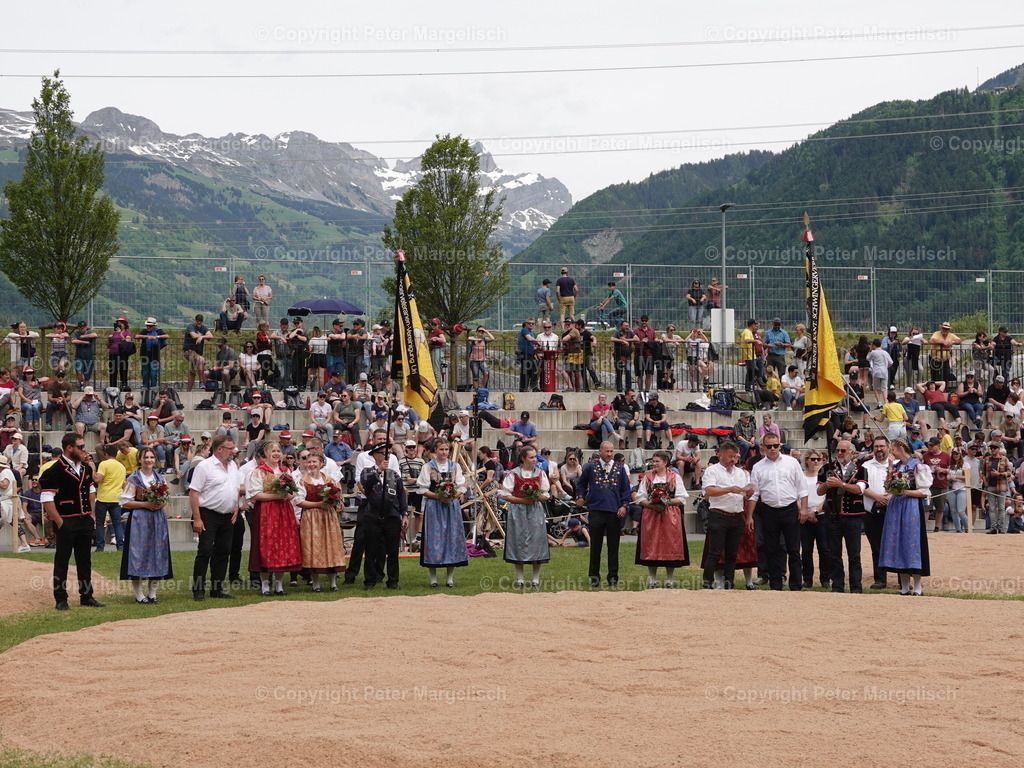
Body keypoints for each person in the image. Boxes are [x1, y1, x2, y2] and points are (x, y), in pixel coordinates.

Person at [40, 434, 104, 611]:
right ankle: (61, 599)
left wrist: (90, 514)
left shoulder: (85, 468)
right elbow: (46, 498)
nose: (84, 450)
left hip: (84, 521)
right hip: (67, 522)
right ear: (70, 448)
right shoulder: (54, 470)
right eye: (80, 447)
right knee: (62, 562)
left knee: (85, 561)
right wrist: (60, 522)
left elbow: (91, 490)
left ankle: (87, 596)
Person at [747, 433, 808, 591]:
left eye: (776, 445)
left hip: (789, 509)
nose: (773, 449)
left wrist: (804, 509)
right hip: (769, 511)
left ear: (780, 445)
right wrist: (749, 516)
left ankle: (796, 585)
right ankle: (776, 586)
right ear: (763, 447)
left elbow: (802, 488)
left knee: (793, 550)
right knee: (771, 549)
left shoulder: (791, 462)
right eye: (769, 446)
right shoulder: (758, 467)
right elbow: (754, 494)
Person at [189, 435, 241, 600]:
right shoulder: (205, 466)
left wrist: (236, 506)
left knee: (224, 552)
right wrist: (197, 519)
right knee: (204, 551)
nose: (233, 451)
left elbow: (236, 488)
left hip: (227, 515)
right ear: (220, 449)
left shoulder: (233, 465)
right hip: (208, 514)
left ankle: (216, 589)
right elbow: (194, 493)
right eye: (230, 448)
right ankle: (198, 590)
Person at [246, 441, 302, 595]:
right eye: (273, 451)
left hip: (284, 511)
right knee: (267, 546)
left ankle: (279, 585)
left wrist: (287, 495)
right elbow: (255, 494)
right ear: (265, 453)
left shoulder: (286, 471)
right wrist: (277, 495)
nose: (276, 453)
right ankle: (265, 585)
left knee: (284, 545)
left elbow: (293, 492)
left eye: (278, 450)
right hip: (266, 512)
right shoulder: (259, 471)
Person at [878, 437, 933, 595]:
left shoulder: (918, 466)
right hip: (896, 507)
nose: (890, 451)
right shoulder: (896, 467)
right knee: (896, 542)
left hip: (911, 507)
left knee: (911, 542)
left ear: (900, 448)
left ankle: (917, 586)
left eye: (892, 448)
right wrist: (889, 467)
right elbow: (888, 487)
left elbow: (923, 492)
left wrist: (904, 492)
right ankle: (903, 586)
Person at [118, 446, 172, 604]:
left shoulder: (160, 478)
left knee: (157, 552)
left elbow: (166, 498)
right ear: (139, 460)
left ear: (155, 459)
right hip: (140, 520)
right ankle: (139, 594)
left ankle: (153, 593)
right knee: (139, 554)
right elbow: (125, 502)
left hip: (157, 519)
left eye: (151, 457)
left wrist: (160, 505)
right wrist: (145, 505)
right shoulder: (133, 479)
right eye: (145, 457)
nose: (148, 460)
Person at [575, 441, 632, 588]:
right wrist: (580, 497)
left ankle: (613, 578)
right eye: (606, 451)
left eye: (611, 451)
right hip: (596, 510)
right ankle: (594, 578)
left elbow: (626, 490)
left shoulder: (620, 468)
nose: (609, 454)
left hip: (614, 512)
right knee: (595, 546)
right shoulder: (591, 467)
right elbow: (580, 483)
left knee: (614, 547)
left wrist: (624, 505)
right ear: (600, 451)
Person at [701, 442, 755, 589]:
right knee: (715, 552)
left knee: (732, 553)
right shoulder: (712, 471)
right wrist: (729, 489)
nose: (733, 460)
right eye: (730, 456)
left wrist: (747, 493)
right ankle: (707, 583)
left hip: (736, 515)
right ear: (721, 454)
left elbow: (744, 495)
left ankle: (728, 583)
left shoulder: (741, 473)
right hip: (719, 514)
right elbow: (709, 492)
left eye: (735, 457)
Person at [416, 439, 467, 588]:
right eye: (441, 449)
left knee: (451, 539)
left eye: (446, 449)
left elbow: (462, 486)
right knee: (434, 540)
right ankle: (433, 579)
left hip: (451, 507)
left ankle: (450, 578)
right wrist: (439, 496)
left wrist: (451, 496)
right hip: (434, 507)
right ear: (435, 451)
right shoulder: (427, 467)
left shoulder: (455, 466)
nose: (444, 452)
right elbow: (422, 489)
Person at [635, 450, 689, 588]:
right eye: (653, 461)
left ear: (665, 462)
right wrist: (651, 505)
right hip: (651, 515)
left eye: (657, 461)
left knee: (670, 543)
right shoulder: (647, 477)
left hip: (670, 515)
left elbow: (682, 498)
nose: (654, 464)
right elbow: (640, 497)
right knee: (651, 544)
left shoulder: (674, 477)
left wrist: (666, 502)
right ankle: (652, 579)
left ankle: (669, 579)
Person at [499, 445, 551, 589]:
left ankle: (535, 579)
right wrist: (523, 500)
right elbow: (505, 494)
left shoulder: (540, 473)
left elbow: (546, 494)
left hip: (534, 510)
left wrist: (536, 497)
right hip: (518, 511)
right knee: (518, 542)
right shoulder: (513, 474)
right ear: (523, 458)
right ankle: (520, 579)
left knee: (537, 542)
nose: (535, 459)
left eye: (535, 456)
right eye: (531, 457)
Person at [294, 452, 346, 591]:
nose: (311, 464)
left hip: (328, 516)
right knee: (313, 547)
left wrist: (336, 502)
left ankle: (333, 583)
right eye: (309, 462)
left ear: (321, 463)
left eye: (314, 462)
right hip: (311, 517)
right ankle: (315, 584)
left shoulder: (329, 480)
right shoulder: (302, 481)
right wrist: (318, 505)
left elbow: (338, 496)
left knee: (331, 546)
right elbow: (299, 501)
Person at [818, 441, 865, 593]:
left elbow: (859, 489)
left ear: (851, 452)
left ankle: (856, 586)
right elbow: (819, 491)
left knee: (854, 554)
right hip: (833, 516)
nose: (839, 453)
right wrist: (827, 484)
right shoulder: (827, 469)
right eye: (837, 450)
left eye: (843, 450)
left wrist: (841, 485)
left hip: (853, 516)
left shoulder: (861, 470)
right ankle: (837, 585)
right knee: (834, 553)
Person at [800, 450, 831, 590]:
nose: (816, 462)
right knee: (806, 549)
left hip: (821, 514)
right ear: (807, 460)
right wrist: (804, 511)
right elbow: (796, 495)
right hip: (804, 515)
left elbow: (826, 497)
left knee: (824, 549)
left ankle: (825, 579)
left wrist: (816, 511)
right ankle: (807, 579)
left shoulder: (824, 476)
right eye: (813, 459)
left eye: (818, 459)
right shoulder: (801, 477)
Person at [92, 444, 126, 552]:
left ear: (106, 454)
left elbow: (98, 479)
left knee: (100, 523)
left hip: (103, 498)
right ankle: (120, 545)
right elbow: (123, 484)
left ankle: (100, 546)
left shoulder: (104, 464)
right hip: (116, 498)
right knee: (117, 523)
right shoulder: (121, 466)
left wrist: (92, 469)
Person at [183, 314, 213, 392]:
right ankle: (201, 382)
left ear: (202, 321)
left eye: (200, 321)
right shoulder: (191, 326)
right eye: (197, 321)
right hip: (189, 351)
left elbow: (211, 336)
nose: (199, 322)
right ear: (195, 320)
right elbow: (193, 335)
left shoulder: (204, 328)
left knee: (192, 372)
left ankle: (188, 391)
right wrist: (203, 336)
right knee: (201, 360)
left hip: (197, 353)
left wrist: (201, 337)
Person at [611, 320, 637, 392]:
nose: (627, 327)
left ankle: (628, 388)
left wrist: (627, 340)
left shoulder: (630, 332)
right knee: (619, 371)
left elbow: (637, 338)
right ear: (621, 326)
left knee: (628, 371)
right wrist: (622, 341)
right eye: (625, 326)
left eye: (628, 326)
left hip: (627, 356)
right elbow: (612, 338)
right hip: (618, 356)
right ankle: (619, 388)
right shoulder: (617, 333)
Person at [70, 321, 98, 389]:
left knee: (87, 376)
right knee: (79, 371)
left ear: (86, 327)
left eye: (83, 328)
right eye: (80, 328)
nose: (81, 329)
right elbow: (73, 341)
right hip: (79, 356)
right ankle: (81, 385)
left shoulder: (89, 332)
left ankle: (86, 389)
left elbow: (95, 335)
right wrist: (84, 341)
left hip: (89, 357)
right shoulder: (76, 333)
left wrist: (84, 336)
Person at [516, 318, 539, 392]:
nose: (531, 325)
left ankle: (532, 386)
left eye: (532, 323)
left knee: (533, 369)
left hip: (530, 354)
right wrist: (538, 341)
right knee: (525, 371)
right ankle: (524, 388)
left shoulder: (532, 333)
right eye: (529, 323)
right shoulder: (524, 330)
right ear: (526, 324)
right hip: (524, 354)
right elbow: (529, 339)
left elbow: (533, 344)